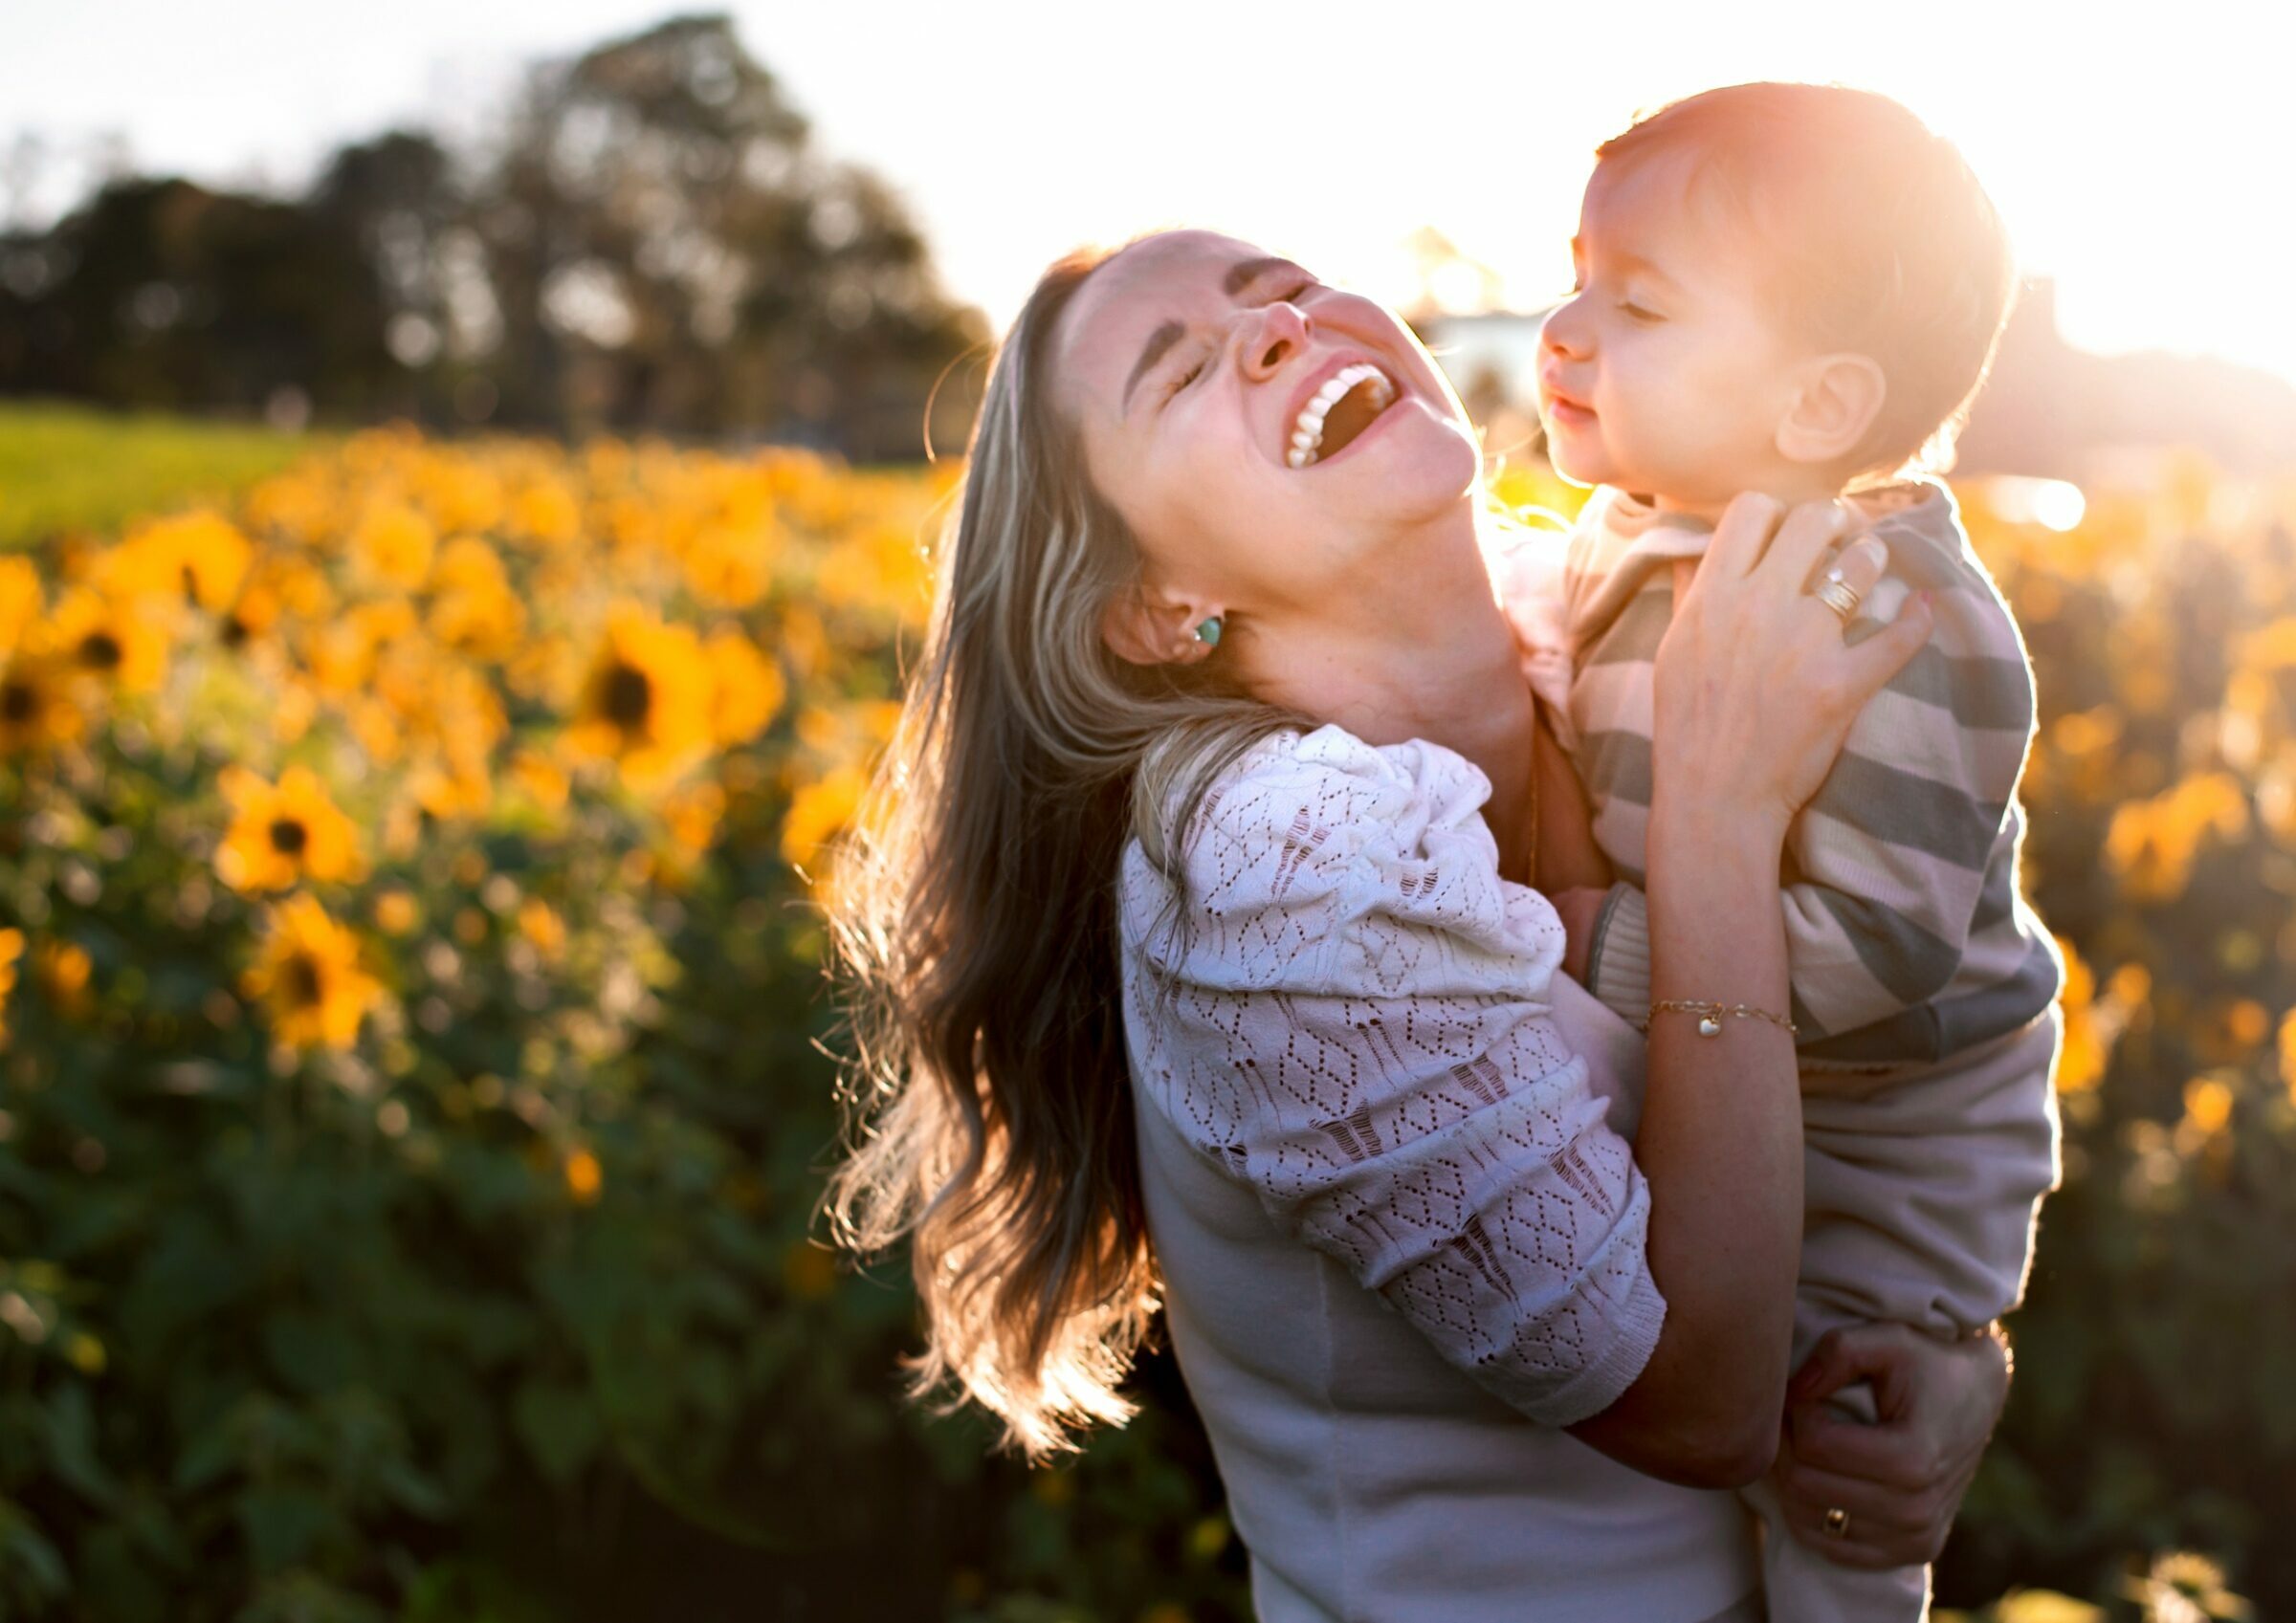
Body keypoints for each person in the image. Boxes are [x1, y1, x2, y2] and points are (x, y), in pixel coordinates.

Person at [825, 227, 2020, 1622]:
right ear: (1156, 605)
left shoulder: (1611, 626)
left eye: (1278, 287)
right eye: (1184, 369)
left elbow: (1944, 1034)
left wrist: (1946, 1348)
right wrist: (1717, 815)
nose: (1282, 325)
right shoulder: (1277, 872)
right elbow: (1701, 1410)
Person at [1509, 83, 2064, 1621]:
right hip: (1753, 1069)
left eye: (1638, 304)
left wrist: (1584, 940)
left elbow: (1878, 955)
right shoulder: (1634, 535)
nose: (1560, 330)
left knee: (1848, 1457)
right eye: (1574, 275)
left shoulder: (1899, 618)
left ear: (1818, 407)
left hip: (1908, 1114)